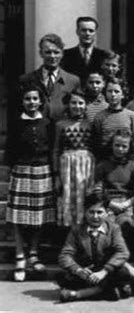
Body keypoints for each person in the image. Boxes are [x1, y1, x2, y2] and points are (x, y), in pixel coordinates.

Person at [5, 85, 56, 282]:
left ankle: (33, 253)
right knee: (18, 216)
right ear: (23, 102)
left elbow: (51, 147)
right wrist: (13, 168)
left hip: (42, 170)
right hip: (22, 170)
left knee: (39, 216)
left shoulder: (47, 123)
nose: (31, 102)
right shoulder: (17, 123)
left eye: (35, 99)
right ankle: (20, 255)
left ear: (41, 101)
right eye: (27, 99)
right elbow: (10, 148)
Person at [57, 192, 130, 302]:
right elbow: (65, 255)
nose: (95, 217)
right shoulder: (77, 230)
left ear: (107, 213)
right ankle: (106, 292)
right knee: (62, 276)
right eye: (91, 212)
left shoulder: (114, 229)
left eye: (99, 212)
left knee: (122, 273)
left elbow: (123, 252)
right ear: (85, 213)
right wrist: (78, 270)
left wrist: (104, 271)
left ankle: (78, 294)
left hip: (105, 272)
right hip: (86, 272)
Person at [53, 90, 95, 227]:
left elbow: (95, 148)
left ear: (86, 105)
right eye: (74, 103)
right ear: (68, 105)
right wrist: (56, 174)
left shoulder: (90, 124)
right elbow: (55, 150)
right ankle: (69, 232)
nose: (77, 106)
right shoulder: (60, 125)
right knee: (68, 197)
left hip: (86, 165)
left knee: (85, 197)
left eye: (81, 103)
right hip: (67, 166)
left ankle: (85, 229)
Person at [18, 33, 80, 121]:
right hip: (37, 128)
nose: (52, 56)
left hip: (62, 129)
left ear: (62, 54)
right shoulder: (27, 79)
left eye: (56, 52)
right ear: (41, 53)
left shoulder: (73, 80)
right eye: (48, 52)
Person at [94, 130, 134, 226]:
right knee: (107, 225)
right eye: (117, 145)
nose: (120, 149)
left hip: (127, 203)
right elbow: (97, 190)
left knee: (127, 224)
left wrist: (126, 204)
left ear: (129, 148)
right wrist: (110, 204)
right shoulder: (103, 165)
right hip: (108, 203)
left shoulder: (133, 166)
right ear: (112, 145)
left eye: (124, 146)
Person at [92, 76, 134, 159]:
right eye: (110, 91)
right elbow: (97, 141)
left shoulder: (131, 115)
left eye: (116, 91)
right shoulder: (99, 117)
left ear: (123, 94)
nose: (113, 95)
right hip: (106, 158)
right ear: (105, 94)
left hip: (126, 159)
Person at [61, 16, 108, 82]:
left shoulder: (104, 56)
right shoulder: (65, 55)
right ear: (77, 32)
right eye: (84, 30)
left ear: (95, 33)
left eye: (91, 31)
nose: (87, 34)